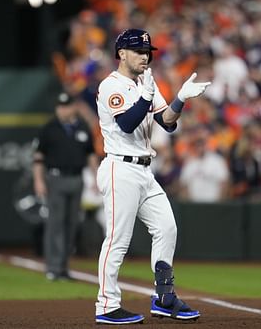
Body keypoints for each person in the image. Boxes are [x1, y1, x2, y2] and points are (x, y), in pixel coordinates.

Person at [94, 28, 210, 325]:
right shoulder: (111, 85)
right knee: (118, 240)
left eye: (147, 51)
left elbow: (167, 123)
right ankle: (106, 304)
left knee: (167, 228)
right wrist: (146, 94)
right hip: (120, 168)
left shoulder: (147, 81)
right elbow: (127, 125)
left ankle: (164, 297)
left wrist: (181, 99)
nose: (145, 56)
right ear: (121, 54)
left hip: (145, 170)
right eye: (138, 51)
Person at [32, 92, 97, 281]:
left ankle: (64, 267)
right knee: (55, 224)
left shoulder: (83, 127)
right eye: (60, 106)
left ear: (73, 107)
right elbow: (38, 157)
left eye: (66, 106)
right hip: (55, 179)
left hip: (77, 179)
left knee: (71, 224)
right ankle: (53, 267)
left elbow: (91, 155)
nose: (62, 109)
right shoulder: (49, 128)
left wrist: (96, 178)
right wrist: (38, 180)